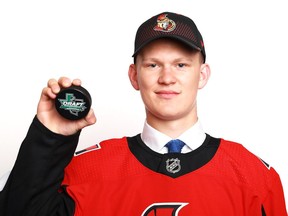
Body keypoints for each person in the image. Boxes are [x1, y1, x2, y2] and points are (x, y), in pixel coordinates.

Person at [0, 11, 287, 216]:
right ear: (134, 76)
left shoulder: (255, 178)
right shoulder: (85, 172)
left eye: (181, 65)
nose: (167, 78)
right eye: (152, 65)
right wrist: (49, 137)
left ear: (202, 75)